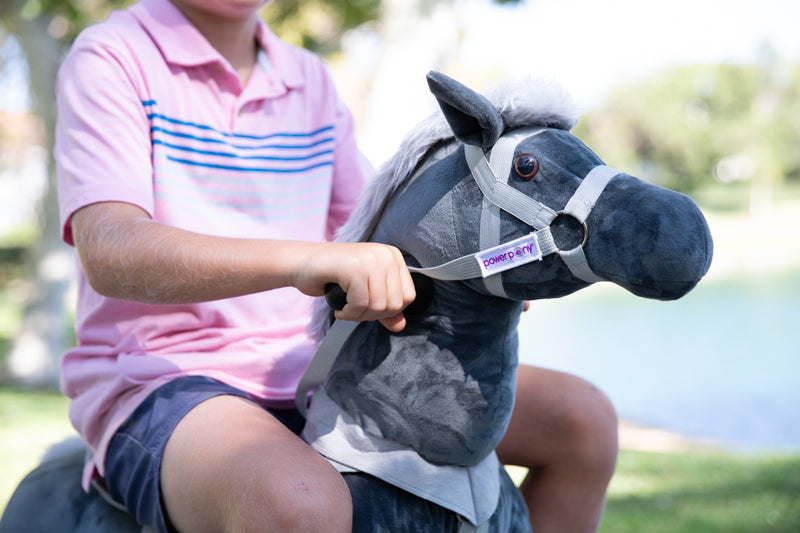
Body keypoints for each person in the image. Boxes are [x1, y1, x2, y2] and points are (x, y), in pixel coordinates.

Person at [55, 0, 617, 531]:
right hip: (165, 377)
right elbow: (111, 250)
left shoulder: (308, 79)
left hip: (322, 363)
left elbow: (380, 233)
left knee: (583, 423)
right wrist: (307, 258)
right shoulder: (113, 54)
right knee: (301, 504)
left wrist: (482, 261)